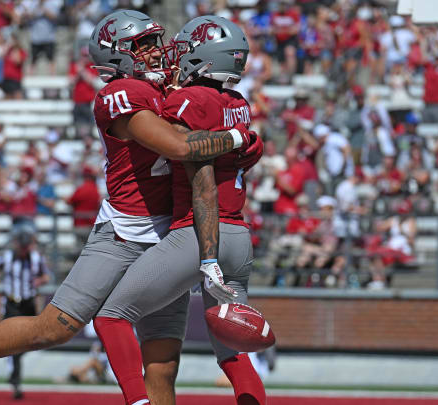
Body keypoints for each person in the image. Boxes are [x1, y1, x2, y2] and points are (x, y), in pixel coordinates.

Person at [0, 10, 255, 405]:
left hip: (172, 235)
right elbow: (178, 147)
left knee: (162, 362)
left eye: (154, 42)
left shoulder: (170, 89)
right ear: (119, 54)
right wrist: (239, 137)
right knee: (55, 327)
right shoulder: (120, 94)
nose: (156, 52)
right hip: (125, 231)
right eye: (142, 45)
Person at [92, 16, 267, 405]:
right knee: (233, 351)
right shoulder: (238, 103)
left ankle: (137, 402)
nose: (176, 56)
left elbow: (195, 167)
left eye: (186, 50)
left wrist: (206, 257)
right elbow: (245, 151)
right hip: (239, 234)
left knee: (109, 316)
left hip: (199, 232)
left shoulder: (188, 100)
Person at [0, 227, 50, 399]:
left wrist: (40, 280)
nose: (24, 250)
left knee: (30, 340)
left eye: (27, 246)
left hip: (28, 303)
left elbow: (47, 276)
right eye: (22, 246)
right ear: (16, 245)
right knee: (14, 341)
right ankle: (16, 380)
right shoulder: (5, 258)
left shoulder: (36, 258)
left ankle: (14, 363)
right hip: (11, 303)